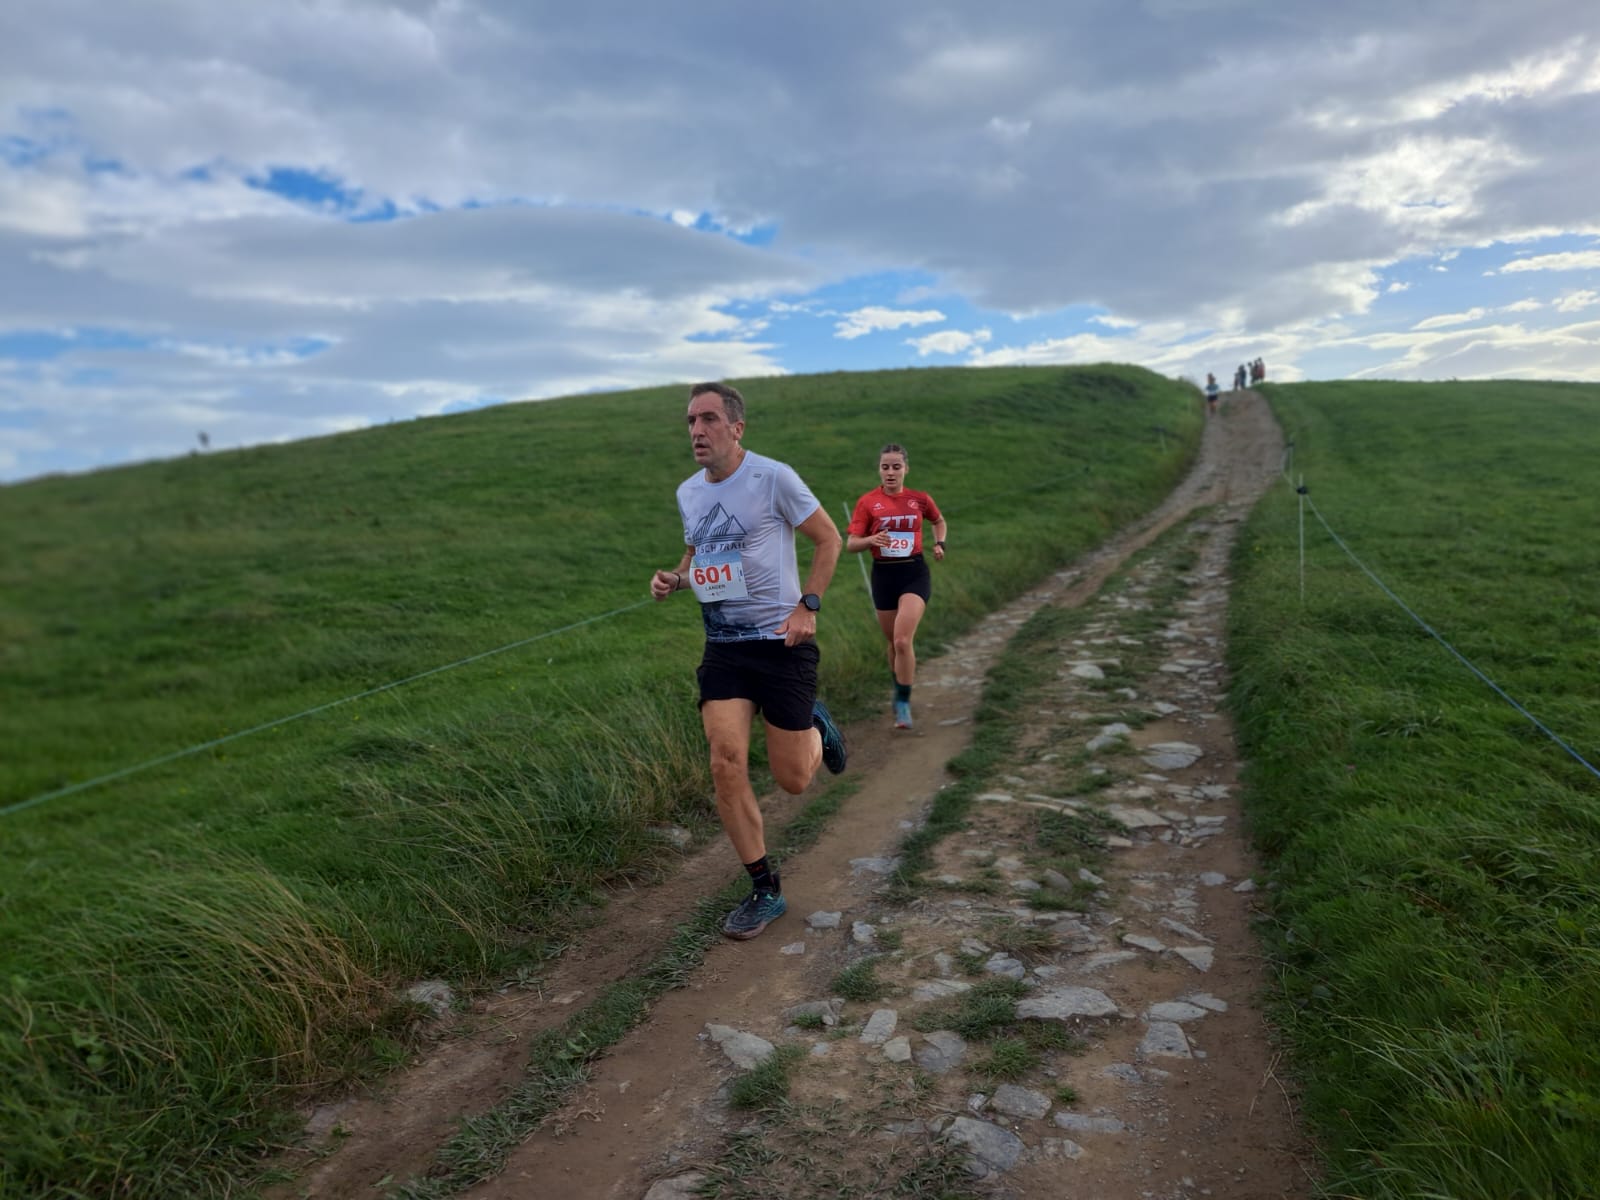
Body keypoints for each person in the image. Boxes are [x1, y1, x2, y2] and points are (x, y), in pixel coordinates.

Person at [650, 382, 848, 940]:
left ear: (737, 428)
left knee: (791, 781)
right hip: (725, 650)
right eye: (690, 420)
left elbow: (829, 540)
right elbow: (699, 555)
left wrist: (808, 605)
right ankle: (765, 888)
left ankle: (815, 723)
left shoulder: (772, 478)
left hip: (782, 644)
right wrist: (675, 578)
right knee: (725, 761)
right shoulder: (689, 492)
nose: (696, 430)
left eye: (709, 419)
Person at [846, 443, 947, 730]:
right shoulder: (867, 502)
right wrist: (871, 541)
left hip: (914, 572)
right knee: (892, 643)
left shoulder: (919, 499)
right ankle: (898, 687)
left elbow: (938, 521)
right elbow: (852, 544)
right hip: (884, 576)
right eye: (885, 466)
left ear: (906, 469)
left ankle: (903, 703)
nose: (890, 472)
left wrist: (939, 543)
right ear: (879, 469)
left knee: (903, 640)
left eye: (896, 466)